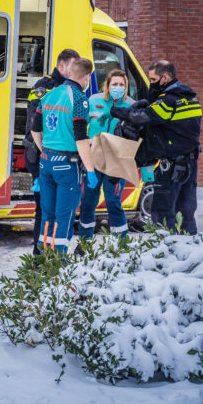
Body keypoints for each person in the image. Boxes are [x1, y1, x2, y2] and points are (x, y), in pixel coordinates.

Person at [111, 59, 202, 234]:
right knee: (186, 211)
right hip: (190, 162)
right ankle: (190, 248)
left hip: (173, 166)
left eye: (153, 80)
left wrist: (117, 112)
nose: (151, 84)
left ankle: (165, 251)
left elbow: (142, 117)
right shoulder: (191, 98)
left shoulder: (169, 101)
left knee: (163, 212)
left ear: (165, 78)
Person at [31, 57, 98, 254]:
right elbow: (81, 138)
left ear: (69, 73)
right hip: (67, 165)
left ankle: (43, 258)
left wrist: (44, 151)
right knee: (64, 216)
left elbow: (35, 129)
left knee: (47, 215)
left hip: (46, 163)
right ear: (86, 77)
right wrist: (91, 170)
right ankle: (58, 262)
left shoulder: (50, 95)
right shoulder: (79, 99)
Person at [23, 48, 79, 254]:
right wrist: (45, 158)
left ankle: (52, 254)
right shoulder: (44, 87)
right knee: (45, 210)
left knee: (59, 209)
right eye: (72, 67)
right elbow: (35, 125)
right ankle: (40, 256)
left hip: (56, 157)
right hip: (40, 154)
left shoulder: (70, 88)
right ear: (61, 65)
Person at [78, 69, 135, 240]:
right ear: (107, 86)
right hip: (94, 159)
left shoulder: (131, 105)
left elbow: (136, 136)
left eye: (121, 84)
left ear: (126, 87)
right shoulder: (94, 100)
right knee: (88, 203)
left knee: (113, 203)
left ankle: (122, 244)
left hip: (117, 162)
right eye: (114, 84)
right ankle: (84, 242)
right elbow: (80, 126)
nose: (118, 87)